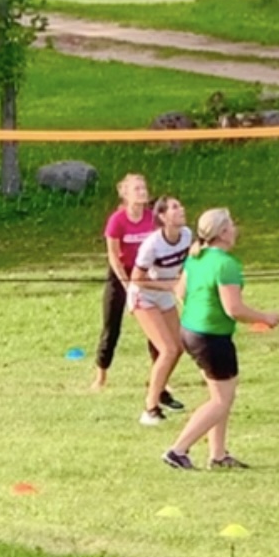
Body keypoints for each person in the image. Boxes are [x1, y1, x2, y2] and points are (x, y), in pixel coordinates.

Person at [162, 208, 279, 470]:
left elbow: (180, 292)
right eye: (232, 225)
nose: (235, 229)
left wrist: (199, 311)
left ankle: (217, 456)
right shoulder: (226, 265)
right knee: (220, 401)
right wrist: (265, 317)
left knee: (222, 394)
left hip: (191, 332)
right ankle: (178, 450)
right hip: (211, 338)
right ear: (223, 233)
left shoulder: (197, 257)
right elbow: (233, 309)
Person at [92, 173, 184, 412]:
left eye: (144, 188)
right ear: (125, 194)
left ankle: (158, 382)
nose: (142, 192)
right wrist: (126, 284)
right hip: (122, 276)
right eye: (137, 189)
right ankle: (101, 375)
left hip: (148, 278)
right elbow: (114, 255)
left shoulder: (152, 218)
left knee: (159, 335)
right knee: (111, 326)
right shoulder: (117, 220)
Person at [129, 195, 191, 426]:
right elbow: (136, 278)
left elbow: (187, 262)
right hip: (143, 296)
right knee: (167, 349)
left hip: (164, 294)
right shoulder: (152, 244)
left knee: (178, 348)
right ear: (163, 217)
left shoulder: (187, 235)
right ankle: (150, 409)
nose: (181, 209)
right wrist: (169, 285)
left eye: (180, 205)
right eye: (175, 207)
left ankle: (159, 389)